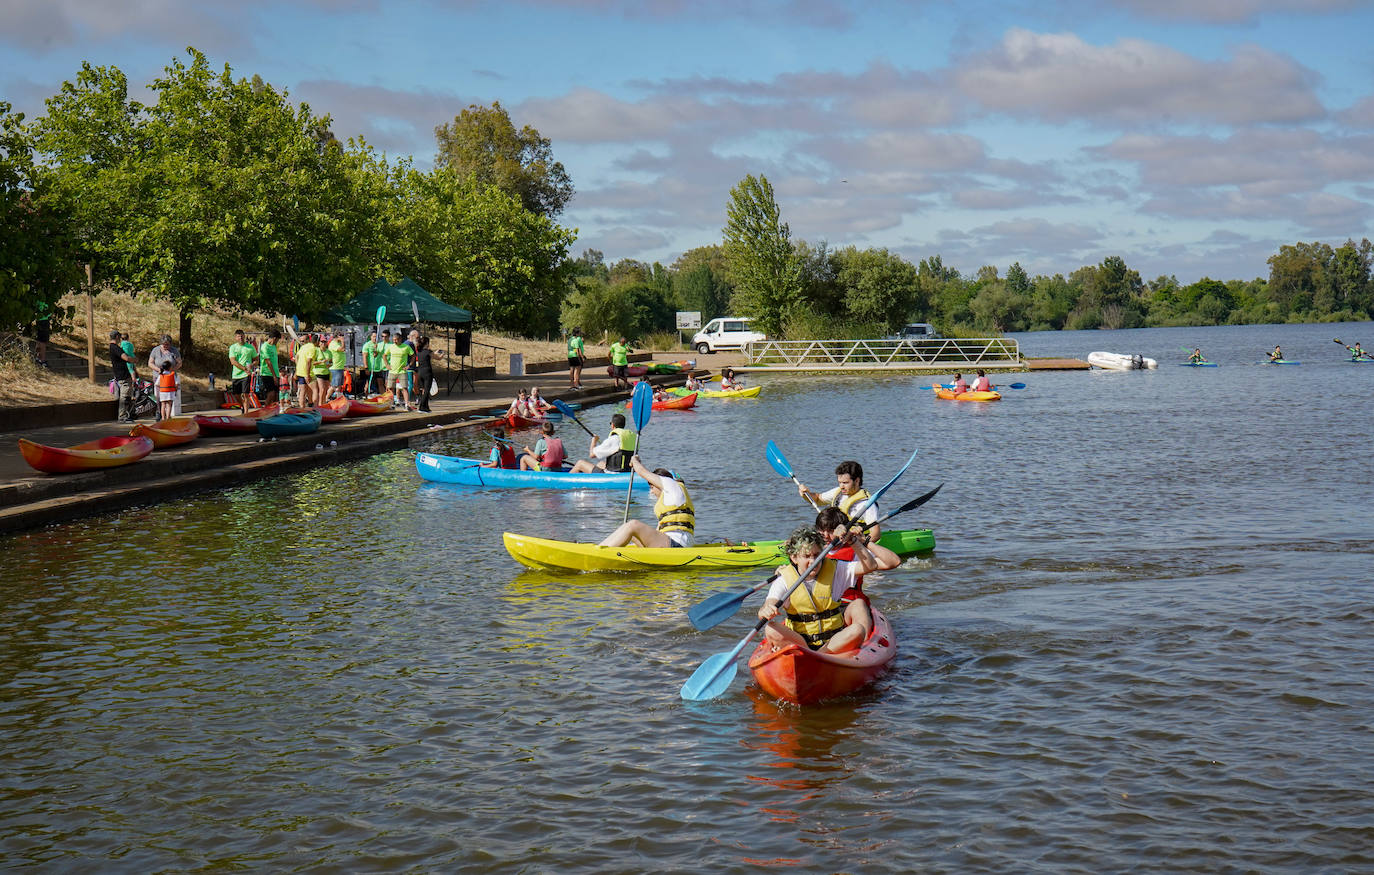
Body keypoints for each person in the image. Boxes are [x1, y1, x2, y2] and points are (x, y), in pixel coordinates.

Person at [757, 524, 899, 654]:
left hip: (833, 642)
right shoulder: (784, 579)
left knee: (857, 630)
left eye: (817, 555)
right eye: (806, 556)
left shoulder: (836, 569)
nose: (813, 561)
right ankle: (810, 654)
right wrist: (767, 609)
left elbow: (871, 566)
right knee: (771, 628)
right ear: (794, 558)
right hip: (800, 642)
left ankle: (819, 656)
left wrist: (854, 541)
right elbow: (770, 602)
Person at [597, 456, 694, 548]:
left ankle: (599, 551)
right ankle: (605, 548)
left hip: (678, 543)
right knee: (632, 534)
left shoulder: (670, 484)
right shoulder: (671, 499)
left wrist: (635, 460)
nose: (651, 491)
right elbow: (659, 531)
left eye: (652, 487)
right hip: (671, 542)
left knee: (633, 525)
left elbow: (642, 471)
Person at [797, 459, 880, 537]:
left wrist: (859, 543)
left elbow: (875, 534)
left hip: (853, 543)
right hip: (832, 538)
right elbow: (818, 499)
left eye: (845, 483)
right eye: (839, 482)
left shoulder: (867, 504)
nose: (841, 486)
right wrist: (806, 494)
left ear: (857, 481)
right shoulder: (838, 492)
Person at [567, 412, 637, 473]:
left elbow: (592, 455)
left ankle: (566, 480)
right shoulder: (631, 438)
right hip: (626, 471)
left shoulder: (613, 439)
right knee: (600, 464)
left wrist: (593, 441)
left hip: (613, 474)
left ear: (612, 425)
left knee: (580, 463)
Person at [147, 335, 183, 415]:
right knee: (159, 397)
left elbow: (179, 363)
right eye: (164, 344)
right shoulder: (155, 350)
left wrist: (172, 370)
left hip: (170, 377)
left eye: (168, 344)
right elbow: (150, 363)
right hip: (159, 376)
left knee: (170, 397)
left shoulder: (174, 351)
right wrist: (158, 369)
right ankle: (159, 413)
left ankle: (168, 414)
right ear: (161, 343)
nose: (166, 346)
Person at [227, 329, 258, 414]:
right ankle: (242, 406)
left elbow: (256, 360)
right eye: (238, 336)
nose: (240, 337)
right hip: (236, 374)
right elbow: (233, 361)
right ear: (235, 337)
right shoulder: (233, 347)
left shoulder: (250, 347)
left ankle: (246, 412)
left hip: (246, 374)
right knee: (236, 394)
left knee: (245, 393)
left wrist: (251, 365)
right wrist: (243, 368)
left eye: (242, 335)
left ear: (244, 336)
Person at [110, 330, 137, 423]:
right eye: (119, 337)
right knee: (124, 396)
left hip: (124, 375)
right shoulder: (115, 348)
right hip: (122, 375)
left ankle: (128, 414)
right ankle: (122, 416)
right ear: (117, 337)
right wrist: (134, 360)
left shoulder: (115, 347)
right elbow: (126, 358)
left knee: (128, 395)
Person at [385, 330, 415, 410]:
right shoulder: (391, 347)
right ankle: (391, 404)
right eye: (393, 340)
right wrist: (387, 365)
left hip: (402, 371)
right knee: (390, 388)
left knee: (404, 388)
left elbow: (413, 356)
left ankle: (406, 404)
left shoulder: (406, 347)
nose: (395, 341)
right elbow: (384, 355)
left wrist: (409, 365)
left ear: (400, 339)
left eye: (396, 340)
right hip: (392, 371)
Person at [293, 333, 319, 407]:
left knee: (303, 391)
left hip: (300, 372)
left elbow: (296, 357)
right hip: (307, 372)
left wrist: (298, 368)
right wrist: (307, 375)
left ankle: (303, 408)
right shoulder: (312, 348)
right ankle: (315, 408)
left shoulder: (303, 347)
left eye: (303, 341)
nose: (302, 342)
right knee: (315, 389)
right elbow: (308, 361)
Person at [258, 329, 282, 407]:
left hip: (276, 373)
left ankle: (274, 411)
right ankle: (265, 410)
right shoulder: (265, 347)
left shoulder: (274, 347)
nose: (277, 342)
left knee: (276, 395)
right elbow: (268, 362)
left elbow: (274, 361)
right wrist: (274, 376)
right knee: (271, 393)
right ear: (274, 338)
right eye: (277, 340)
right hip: (267, 373)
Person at [415, 336, 436, 413]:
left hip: (420, 372)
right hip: (427, 372)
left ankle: (426, 407)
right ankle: (421, 407)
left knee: (424, 390)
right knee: (427, 391)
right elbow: (438, 357)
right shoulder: (428, 351)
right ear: (427, 343)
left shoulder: (419, 352)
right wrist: (442, 354)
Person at [311, 333, 332, 405]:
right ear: (319, 343)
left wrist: (330, 364)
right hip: (318, 372)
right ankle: (320, 405)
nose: (323, 343)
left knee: (325, 390)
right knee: (322, 389)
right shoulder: (316, 350)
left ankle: (323, 404)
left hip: (326, 372)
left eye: (324, 342)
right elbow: (312, 362)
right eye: (322, 342)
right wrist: (321, 362)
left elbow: (331, 362)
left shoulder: (329, 352)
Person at [325, 331, 347, 400]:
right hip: (335, 367)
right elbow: (342, 349)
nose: (342, 337)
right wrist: (343, 341)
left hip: (340, 367)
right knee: (334, 385)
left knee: (339, 385)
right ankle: (326, 398)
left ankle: (338, 399)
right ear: (337, 336)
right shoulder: (333, 344)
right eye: (341, 335)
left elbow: (343, 349)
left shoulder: (338, 343)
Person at [33, 300, 50, 367]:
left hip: (39, 320)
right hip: (44, 320)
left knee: (39, 340)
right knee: (43, 341)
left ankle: (38, 357)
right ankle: (42, 360)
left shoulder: (38, 299)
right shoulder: (45, 299)